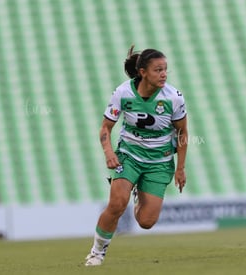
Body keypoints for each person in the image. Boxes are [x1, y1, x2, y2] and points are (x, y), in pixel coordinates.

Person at [85, 45, 188, 266]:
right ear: (143, 72)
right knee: (116, 204)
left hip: (159, 162)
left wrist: (180, 168)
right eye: (157, 70)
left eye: (165, 70)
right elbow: (105, 128)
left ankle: (138, 193)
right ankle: (96, 253)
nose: (163, 74)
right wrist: (109, 153)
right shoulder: (123, 92)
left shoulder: (174, 98)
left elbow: (182, 133)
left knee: (146, 222)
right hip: (128, 155)